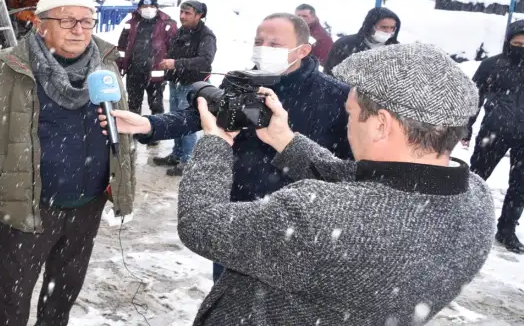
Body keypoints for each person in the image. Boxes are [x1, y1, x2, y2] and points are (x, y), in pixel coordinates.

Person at [173, 42, 495, 325]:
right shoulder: (477, 201)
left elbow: (200, 223)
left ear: (381, 124)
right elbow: (373, 187)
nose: (348, 124)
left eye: (352, 114)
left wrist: (214, 145)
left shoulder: (316, 217)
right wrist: (287, 141)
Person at [108, 13, 352, 280]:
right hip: (237, 212)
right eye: (259, 41)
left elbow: (345, 167)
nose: (263, 49)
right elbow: (198, 115)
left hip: (298, 224)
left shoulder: (336, 96)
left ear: (303, 50)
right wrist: (148, 124)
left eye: (275, 44)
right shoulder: (241, 81)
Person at [0, 0, 136, 326]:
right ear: (41, 26)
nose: (79, 30)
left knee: (62, 298)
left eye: (86, 22)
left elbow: (118, 128)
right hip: (26, 207)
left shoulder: (106, 66)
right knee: (11, 302)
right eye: (67, 21)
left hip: (87, 206)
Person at [464, 20, 524, 253]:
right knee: (477, 179)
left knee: (520, 186)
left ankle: (507, 229)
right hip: (494, 132)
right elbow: (473, 96)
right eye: (517, 43)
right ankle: (465, 223)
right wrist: (466, 127)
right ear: (508, 41)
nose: (521, 47)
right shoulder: (492, 65)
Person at [152, 0, 216, 175]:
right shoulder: (182, 31)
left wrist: (176, 63)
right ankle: (177, 154)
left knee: (187, 125)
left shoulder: (206, 36)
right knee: (176, 122)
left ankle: (188, 161)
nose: (182, 16)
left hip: (191, 86)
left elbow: (205, 60)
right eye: (181, 12)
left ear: (199, 15)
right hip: (176, 83)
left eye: (187, 13)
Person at [117, 0, 177, 115]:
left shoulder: (167, 24)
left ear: (157, 8)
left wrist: (170, 69)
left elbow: (174, 49)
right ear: (139, 9)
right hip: (134, 71)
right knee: (133, 105)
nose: (148, 9)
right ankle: (134, 131)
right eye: (144, 7)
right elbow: (122, 47)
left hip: (156, 73)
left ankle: (157, 131)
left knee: (156, 106)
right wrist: (120, 65)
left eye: (151, 7)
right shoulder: (131, 23)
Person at [324, 6, 400, 76]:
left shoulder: (397, 49)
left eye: (392, 28)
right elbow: (330, 74)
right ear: (371, 26)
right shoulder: (345, 45)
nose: (388, 31)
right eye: (384, 27)